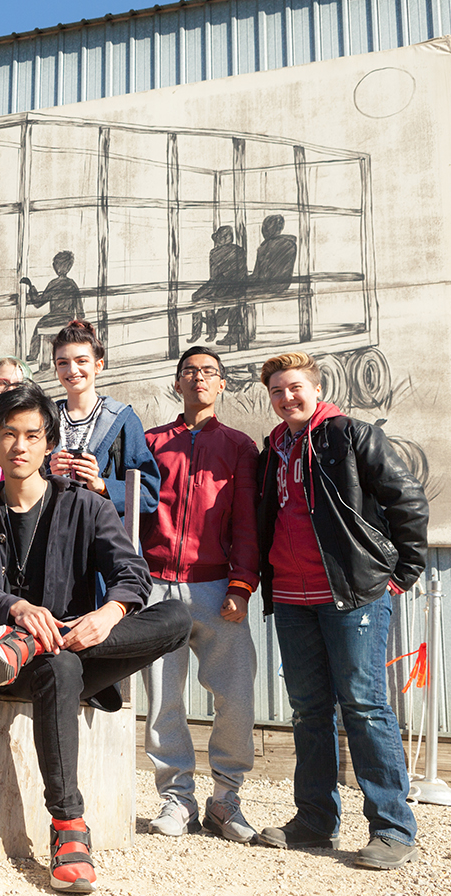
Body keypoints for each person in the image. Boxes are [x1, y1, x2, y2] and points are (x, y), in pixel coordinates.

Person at [0, 383, 190, 893]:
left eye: (32, 435)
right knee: (58, 667)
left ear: (48, 443)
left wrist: (110, 611)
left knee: (177, 619)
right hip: (3, 665)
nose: (20, 445)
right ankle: (68, 827)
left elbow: (132, 573)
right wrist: (13, 608)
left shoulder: (87, 506)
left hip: (81, 648)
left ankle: (37, 643)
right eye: (9, 434)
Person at [253, 350, 428, 870]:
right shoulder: (273, 449)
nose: (288, 397)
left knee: (364, 705)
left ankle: (392, 828)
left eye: (296, 387)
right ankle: (314, 820)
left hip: (351, 596)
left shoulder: (351, 435)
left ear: (317, 386)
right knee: (309, 710)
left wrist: (402, 572)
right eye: (278, 391)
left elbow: (407, 500)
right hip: (290, 598)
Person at [140, 346, 259, 842]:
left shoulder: (239, 447)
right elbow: (133, 511)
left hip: (215, 587)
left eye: (208, 372)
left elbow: (248, 523)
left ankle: (225, 798)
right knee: (163, 698)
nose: (198, 379)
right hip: (157, 586)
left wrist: (241, 584)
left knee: (235, 696)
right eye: (190, 371)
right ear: (177, 383)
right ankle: (176, 799)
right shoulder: (150, 442)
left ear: (221, 385)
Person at [47, 320, 159, 520]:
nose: (72, 370)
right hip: (56, 538)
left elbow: (148, 493)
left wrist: (101, 485)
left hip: (105, 540)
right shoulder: (45, 419)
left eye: (82, 361)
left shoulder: (123, 419)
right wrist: (48, 475)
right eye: (62, 363)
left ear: (98, 365)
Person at [23, 250, 85, 365]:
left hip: (55, 317)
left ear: (57, 266)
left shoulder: (54, 283)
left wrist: (31, 286)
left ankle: (33, 355)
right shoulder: (72, 284)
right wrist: (80, 322)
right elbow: (80, 308)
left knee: (39, 326)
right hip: (67, 319)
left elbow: (38, 302)